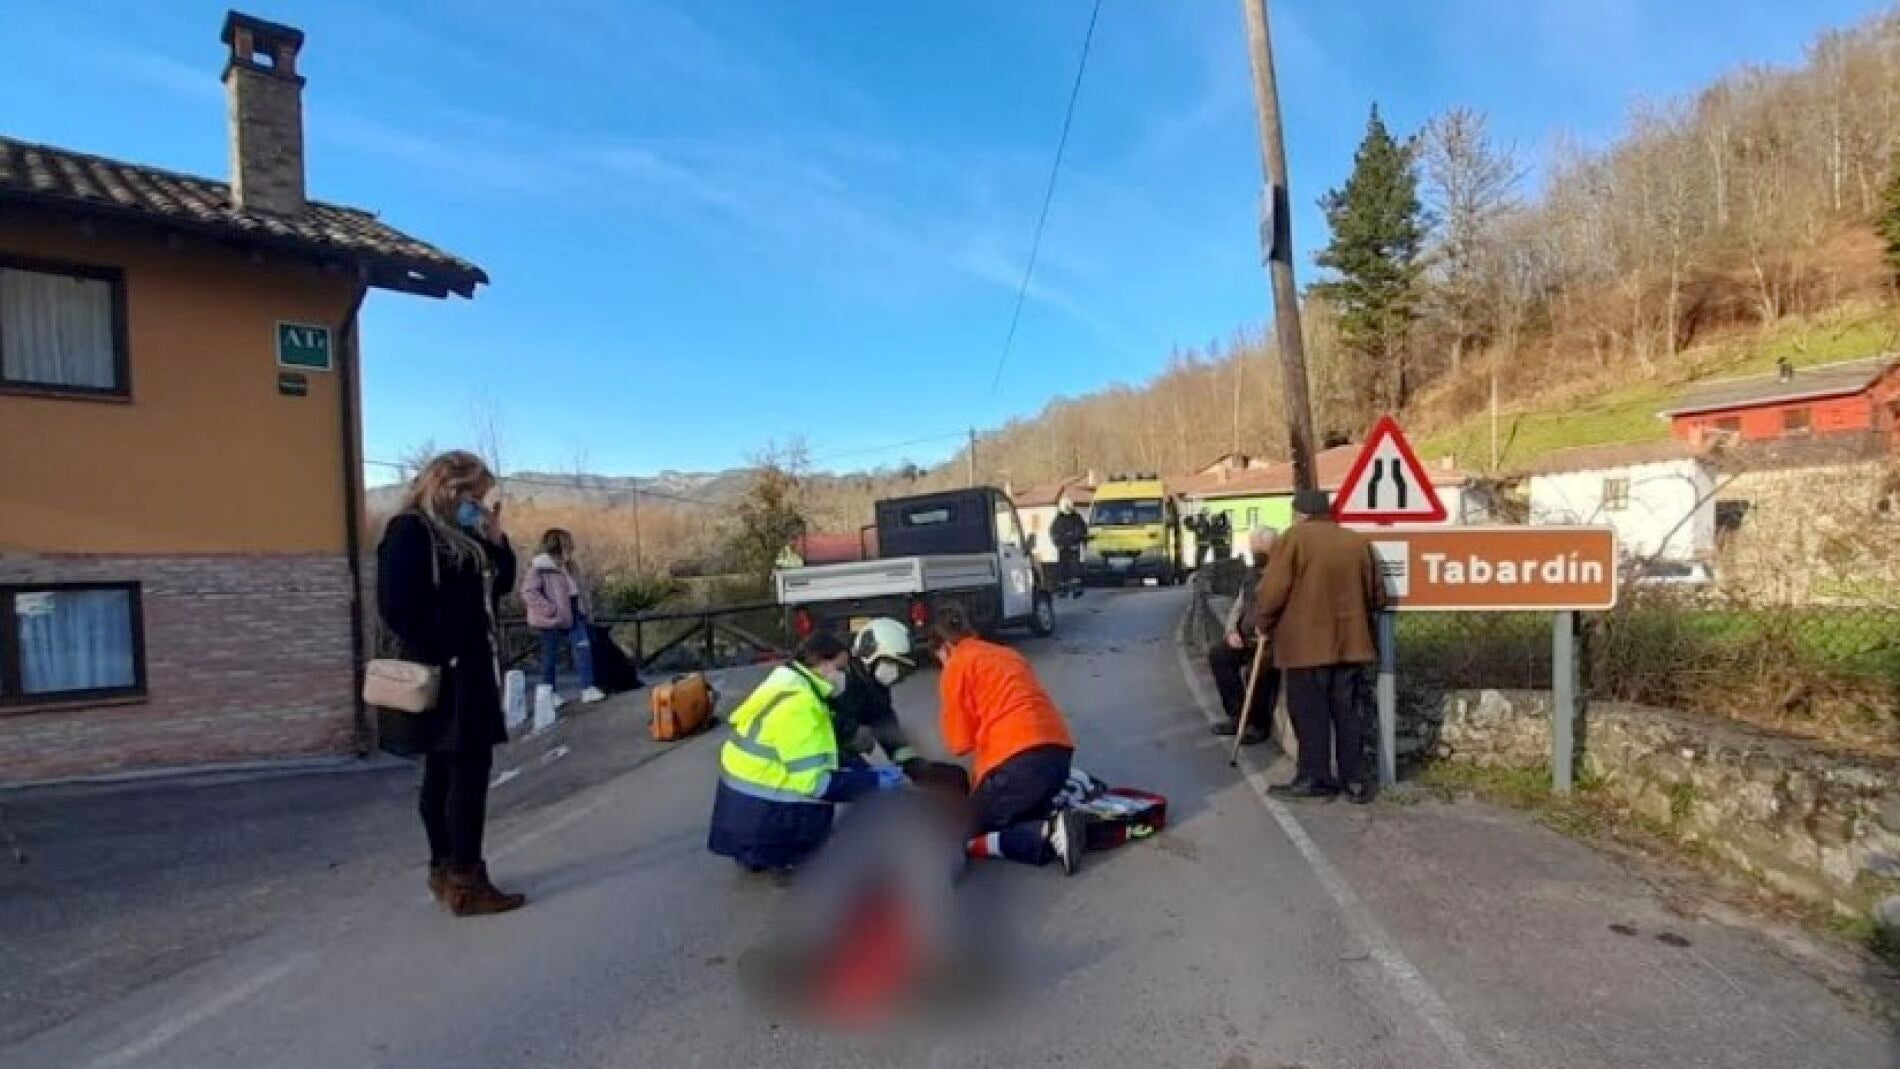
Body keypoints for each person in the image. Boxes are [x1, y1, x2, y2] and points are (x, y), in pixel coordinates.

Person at [376, 450, 526, 916]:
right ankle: (464, 877)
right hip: (447, 672)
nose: (478, 506)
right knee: (461, 773)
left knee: (448, 771)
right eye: (474, 497)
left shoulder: (461, 535)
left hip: (469, 670)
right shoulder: (410, 531)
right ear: (449, 489)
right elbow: (397, 607)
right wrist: (448, 648)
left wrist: (496, 541)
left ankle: (448, 871)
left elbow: (500, 585)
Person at [708, 632, 905, 874]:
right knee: (834, 805)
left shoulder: (787, 683)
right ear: (823, 663)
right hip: (765, 822)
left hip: (736, 815)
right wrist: (873, 781)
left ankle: (760, 852)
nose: (844, 675)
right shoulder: (801, 706)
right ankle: (788, 854)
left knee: (849, 771)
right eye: (841, 668)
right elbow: (816, 784)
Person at [1253, 489, 1389, 803]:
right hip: (1351, 644)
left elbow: (1273, 590)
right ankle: (1354, 780)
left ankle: (1315, 778)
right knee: (1348, 713)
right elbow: (1378, 595)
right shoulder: (1357, 542)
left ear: (1299, 514)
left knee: (1310, 714)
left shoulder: (1294, 539)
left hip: (1305, 646)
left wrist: (1262, 622)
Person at [931, 606, 1087, 875]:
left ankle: (1047, 833)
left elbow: (959, 744)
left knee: (966, 829)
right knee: (1016, 807)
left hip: (1017, 765)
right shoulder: (1007, 654)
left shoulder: (957, 665)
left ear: (944, 647)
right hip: (1058, 755)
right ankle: (1053, 821)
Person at [1209, 527, 1280, 745]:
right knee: (1219, 656)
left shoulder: (1281, 574)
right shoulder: (1251, 574)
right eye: (1253, 548)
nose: (1254, 552)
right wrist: (1231, 630)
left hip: (1270, 641)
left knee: (1257, 672)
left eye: (1259, 549)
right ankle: (1238, 716)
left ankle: (1259, 724)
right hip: (1246, 636)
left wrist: (1268, 631)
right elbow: (1239, 605)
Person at [520, 528, 605, 708]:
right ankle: (550, 693)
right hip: (553, 617)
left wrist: (587, 611)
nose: (571, 549)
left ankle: (588, 687)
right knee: (550, 656)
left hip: (574, 611)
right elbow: (528, 592)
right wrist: (549, 609)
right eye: (568, 545)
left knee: (583, 648)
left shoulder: (571, 566)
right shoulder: (539, 568)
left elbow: (580, 590)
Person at [829, 618, 925, 773]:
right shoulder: (837, 680)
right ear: (872, 655)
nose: (900, 676)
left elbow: (883, 719)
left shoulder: (872, 684)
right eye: (896, 665)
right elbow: (825, 721)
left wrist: (910, 761)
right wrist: (851, 732)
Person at [1049, 498, 1089, 598]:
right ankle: (1063, 590)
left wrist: (1079, 541)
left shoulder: (1077, 517)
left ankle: (1076, 589)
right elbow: (1053, 532)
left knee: (1075, 569)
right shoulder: (1058, 518)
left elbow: (1083, 530)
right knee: (1062, 570)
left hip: (1073, 548)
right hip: (1063, 549)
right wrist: (1058, 544)